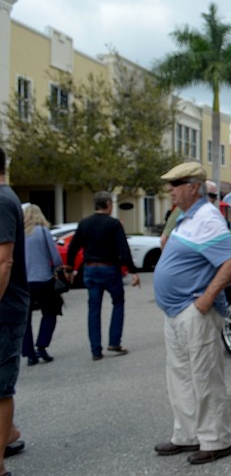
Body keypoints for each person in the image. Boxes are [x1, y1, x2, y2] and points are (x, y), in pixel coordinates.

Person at [152, 162, 231, 465]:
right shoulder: (186, 217)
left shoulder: (206, 216)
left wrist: (205, 301)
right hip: (177, 312)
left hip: (195, 312)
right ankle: (187, 435)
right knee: (179, 376)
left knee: (204, 378)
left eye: (176, 184)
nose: (170, 190)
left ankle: (216, 440)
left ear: (193, 186)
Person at [66, 191, 141, 361]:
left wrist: (70, 268)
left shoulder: (85, 223)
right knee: (118, 302)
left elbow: (73, 247)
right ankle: (114, 341)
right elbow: (123, 249)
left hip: (91, 269)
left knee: (94, 308)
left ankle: (95, 349)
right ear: (108, 204)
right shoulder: (113, 224)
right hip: (110, 268)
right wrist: (132, 270)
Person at [0, 145, 29, 476]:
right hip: (9, 304)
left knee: (1, 387)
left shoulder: (2, 200)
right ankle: (7, 435)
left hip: (6, 308)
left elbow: (4, 261)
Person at [22, 204, 66, 366]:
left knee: (24, 319)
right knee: (50, 313)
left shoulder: (19, 233)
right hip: (44, 280)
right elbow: (55, 257)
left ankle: (29, 353)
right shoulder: (42, 231)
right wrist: (58, 268)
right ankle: (42, 345)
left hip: (25, 282)